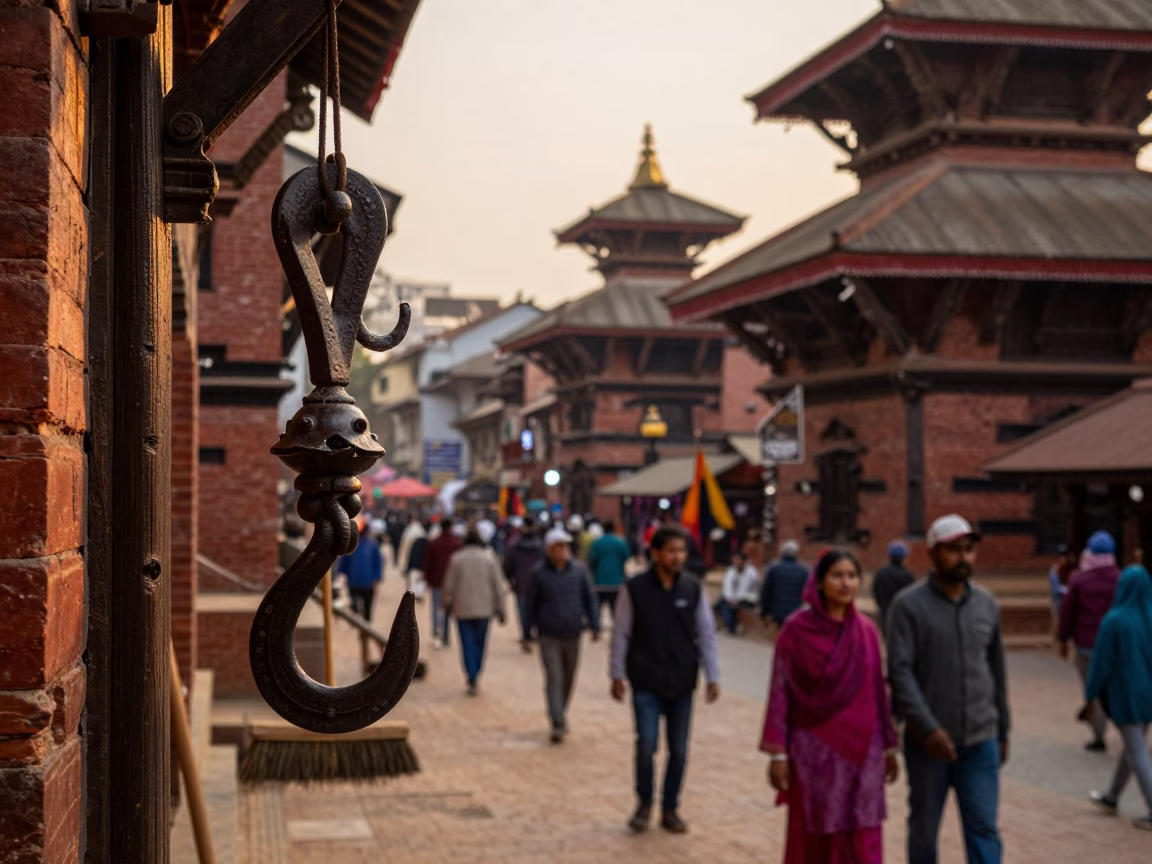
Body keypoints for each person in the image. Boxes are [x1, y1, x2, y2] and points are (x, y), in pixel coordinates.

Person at [763, 549, 899, 863]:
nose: (845, 583)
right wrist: (778, 753)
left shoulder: (865, 631)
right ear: (820, 582)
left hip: (863, 753)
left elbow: (878, 691)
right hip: (815, 753)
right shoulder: (796, 631)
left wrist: (890, 746)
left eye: (851, 576)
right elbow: (780, 691)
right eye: (837, 575)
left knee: (861, 833)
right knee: (815, 836)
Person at [888, 514, 1009, 864]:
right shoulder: (908, 606)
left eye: (968, 550)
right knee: (925, 829)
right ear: (933, 553)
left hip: (980, 741)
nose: (963, 557)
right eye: (954, 550)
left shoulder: (986, 605)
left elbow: (996, 672)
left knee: (984, 828)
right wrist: (927, 727)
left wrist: (1003, 729)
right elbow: (900, 672)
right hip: (929, 745)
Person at [610, 525, 721, 835]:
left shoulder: (693, 589)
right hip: (646, 679)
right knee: (646, 745)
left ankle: (670, 807)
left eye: (682, 551)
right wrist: (616, 673)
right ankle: (644, 802)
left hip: (683, 681)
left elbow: (706, 634)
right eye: (671, 550)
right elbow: (621, 633)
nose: (677, 557)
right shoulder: (634, 589)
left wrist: (713, 674)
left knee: (679, 750)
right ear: (655, 553)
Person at [1085, 564, 1152, 831]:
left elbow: (1101, 663)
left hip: (1126, 695)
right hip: (1148, 695)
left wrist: (1090, 695)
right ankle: (1112, 796)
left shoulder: (1115, 620)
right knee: (1131, 748)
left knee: (1136, 751)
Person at [526, 527, 601, 742]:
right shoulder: (539, 573)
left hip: (573, 632)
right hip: (548, 632)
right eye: (558, 546)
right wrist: (527, 632)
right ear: (549, 549)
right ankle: (557, 720)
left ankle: (561, 711)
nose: (562, 550)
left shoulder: (579, 571)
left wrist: (595, 625)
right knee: (554, 676)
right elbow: (530, 604)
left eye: (565, 546)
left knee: (568, 677)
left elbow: (590, 598)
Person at [1058, 530, 1121, 752]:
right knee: (1115, 685)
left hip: (1087, 643)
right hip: (1115, 645)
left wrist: (1063, 638)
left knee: (1093, 688)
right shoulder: (1120, 579)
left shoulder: (1080, 580)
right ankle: (1128, 728)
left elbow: (1068, 612)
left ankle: (1099, 734)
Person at [441, 528, 507, 695]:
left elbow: (448, 585)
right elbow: (498, 587)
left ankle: (471, 674)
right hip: (484, 610)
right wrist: (502, 610)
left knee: (467, 644)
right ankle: (475, 672)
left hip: (462, 609)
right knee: (480, 644)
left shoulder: (457, 559)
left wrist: (445, 603)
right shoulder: (489, 559)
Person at [504, 523, 545, 652]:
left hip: (521, 584)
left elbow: (507, 566)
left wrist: (511, 579)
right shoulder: (542, 549)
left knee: (523, 612)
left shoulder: (515, 548)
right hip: (539, 585)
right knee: (538, 610)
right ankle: (535, 631)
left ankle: (526, 636)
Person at [424, 520, 464, 649]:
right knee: (448, 609)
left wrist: (428, 580)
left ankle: (437, 632)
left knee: (437, 608)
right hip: (452, 583)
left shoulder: (435, 543)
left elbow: (428, 563)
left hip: (437, 581)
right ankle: (446, 635)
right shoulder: (457, 543)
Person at [337, 518, 384, 624]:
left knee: (357, 606)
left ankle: (361, 623)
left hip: (356, 582)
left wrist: (342, 575)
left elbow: (343, 565)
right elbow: (378, 564)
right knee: (366, 607)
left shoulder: (354, 546)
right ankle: (365, 625)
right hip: (366, 582)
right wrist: (376, 579)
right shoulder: (373, 545)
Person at [588, 519, 631, 624]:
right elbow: (627, 557)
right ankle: (617, 627)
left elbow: (591, 559)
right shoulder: (620, 543)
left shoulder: (597, 543)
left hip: (599, 581)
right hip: (616, 582)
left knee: (597, 608)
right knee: (615, 610)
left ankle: (596, 627)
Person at [871, 540, 915, 639]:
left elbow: (876, 590)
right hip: (902, 616)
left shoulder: (882, 573)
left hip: (885, 612)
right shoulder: (906, 576)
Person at [761, 540, 808, 628]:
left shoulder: (774, 569)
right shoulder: (803, 571)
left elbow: (767, 591)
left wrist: (765, 611)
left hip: (778, 610)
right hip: (796, 610)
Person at [714, 551, 760, 636]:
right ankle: (727, 625)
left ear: (744, 561)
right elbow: (727, 586)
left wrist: (736, 600)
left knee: (726, 606)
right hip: (733, 598)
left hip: (747, 598)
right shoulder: (731, 571)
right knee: (718, 604)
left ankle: (731, 627)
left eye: (738, 560)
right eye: (734, 560)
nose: (736, 562)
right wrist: (730, 598)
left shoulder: (751, 573)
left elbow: (745, 588)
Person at [1047, 544, 1076, 629]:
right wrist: (1070, 590)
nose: (1063, 558)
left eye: (1065, 556)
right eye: (1061, 555)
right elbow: (1055, 588)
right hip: (1059, 604)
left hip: (1071, 605)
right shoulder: (1055, 570)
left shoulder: (1073, 569)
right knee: (1058, 627)